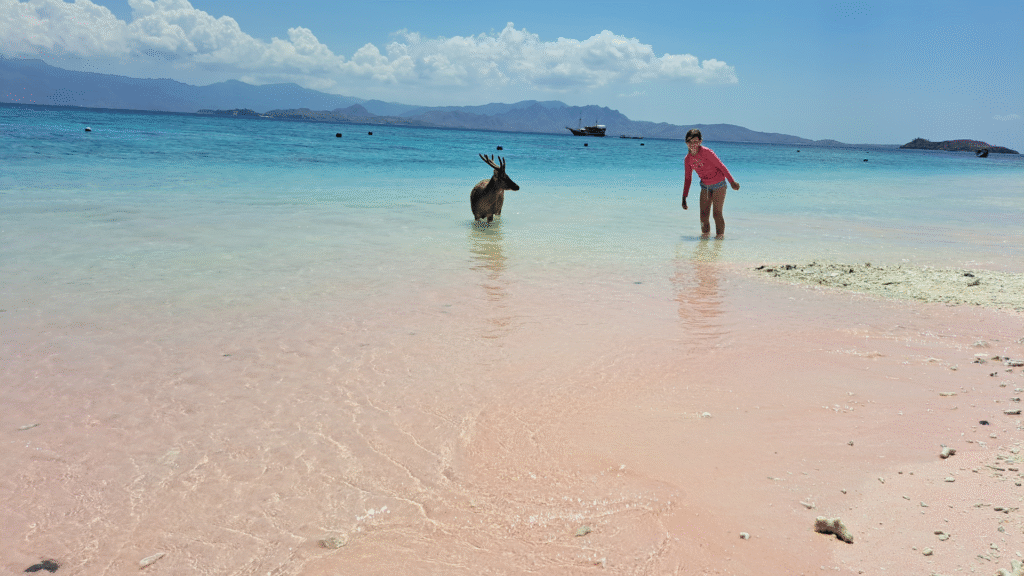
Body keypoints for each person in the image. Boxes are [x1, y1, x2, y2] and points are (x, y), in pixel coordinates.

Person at [681, 129, 740, 238]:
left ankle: (719, 238)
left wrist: (732, 182)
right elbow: (688, 179)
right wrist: (684, 197)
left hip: (719, 185)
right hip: (705, 186)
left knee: (716, 214)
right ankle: (704, 239)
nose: (693, 144)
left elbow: (721, 166)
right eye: (690, 142)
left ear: (700, 141)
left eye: (695, 141)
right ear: (686, 143)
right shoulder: (688, 160)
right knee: (703, 216)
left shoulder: (707, 152)